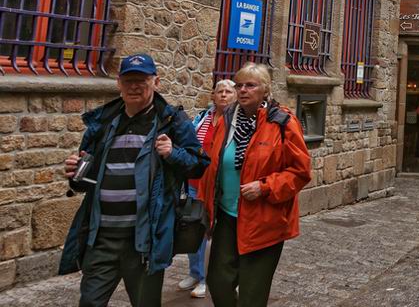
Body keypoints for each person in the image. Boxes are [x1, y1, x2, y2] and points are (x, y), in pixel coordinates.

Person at [60, 53, 209, 307]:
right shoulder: (104, 123)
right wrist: (76, 174)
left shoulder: (171, 121)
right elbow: (86, 181)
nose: (134, 86)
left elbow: (199, 165)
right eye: (128, 80)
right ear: (119, 83)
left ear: (156, 82)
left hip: (144, 242)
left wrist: (173, 154)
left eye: (142, 80)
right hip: (101, 238)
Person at [200, 63, 312, 307]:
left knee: (252, 295)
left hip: (265, 221)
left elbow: (300, 171)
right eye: (239, 85)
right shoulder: (226, 119)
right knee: (218, 282)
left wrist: (265, 187)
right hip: (227, 216)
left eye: (250, 85)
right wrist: (206, 207)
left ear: (265, 89)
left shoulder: (281, 121)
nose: (242, 90)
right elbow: (212, 166)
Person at [177, 79, 236, 299]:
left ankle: (205, 279)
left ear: (235, 96)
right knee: (193, 230)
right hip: (195, 183)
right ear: (212, 96)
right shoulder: (203, 118)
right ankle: (195, 272)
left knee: (212, 234)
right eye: (219, 91)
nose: (223, 95)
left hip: (218, 185)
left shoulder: (237, 121)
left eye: (228, 91)